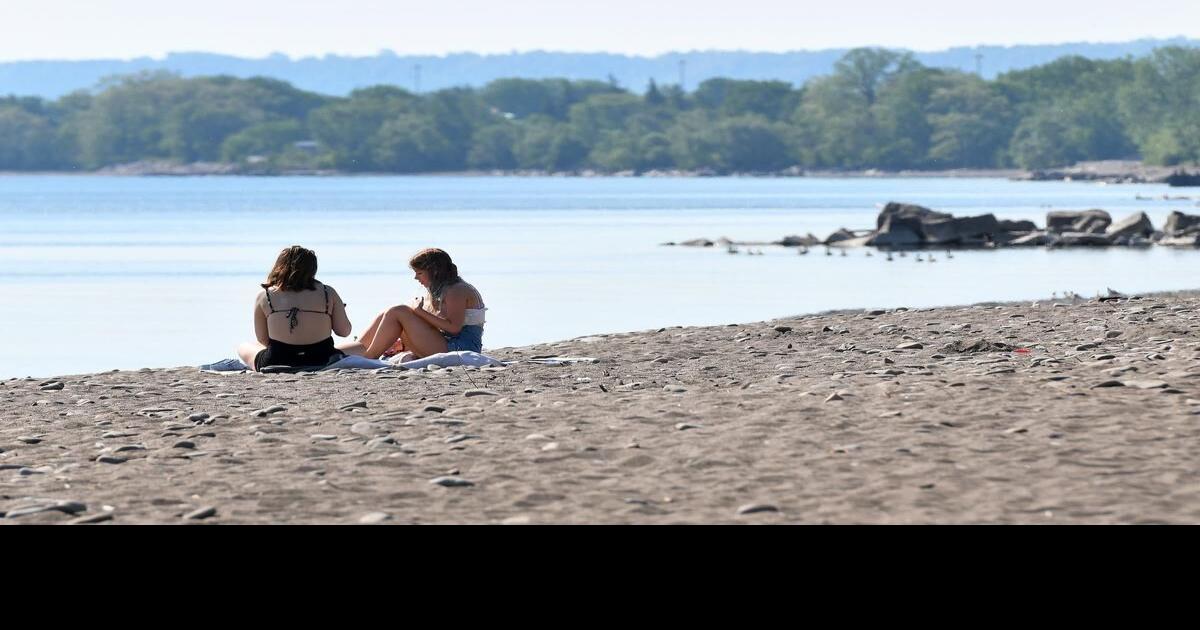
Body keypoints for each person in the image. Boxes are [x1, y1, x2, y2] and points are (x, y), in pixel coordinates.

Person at [340, 248, 486, 360]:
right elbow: (436, 325)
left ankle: (368, 358)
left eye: (419, 273)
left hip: (460, 347)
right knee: (388, 313)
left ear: (434, 271)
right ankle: (336, 353)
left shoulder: (457, 290)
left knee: (399, 311)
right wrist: (403, 340)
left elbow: (454, 329)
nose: (416, 277)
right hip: (445, 342)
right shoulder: (441, 289)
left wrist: (420, 312)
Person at [237, 246, 352, 371]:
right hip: (322, 358)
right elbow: (344, 332)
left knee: (243, 346)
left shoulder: (265, 295)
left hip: (277, 360)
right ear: (313, 269)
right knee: (356, 347)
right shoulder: (327, 292)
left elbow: (263, 340)